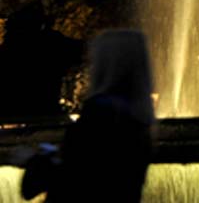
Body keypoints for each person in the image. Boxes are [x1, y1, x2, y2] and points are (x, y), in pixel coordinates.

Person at [21, 29, 155, 203]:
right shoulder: (140, 120)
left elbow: (75, 179)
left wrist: (36, 159)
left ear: (104, 64)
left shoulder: (101, 114)